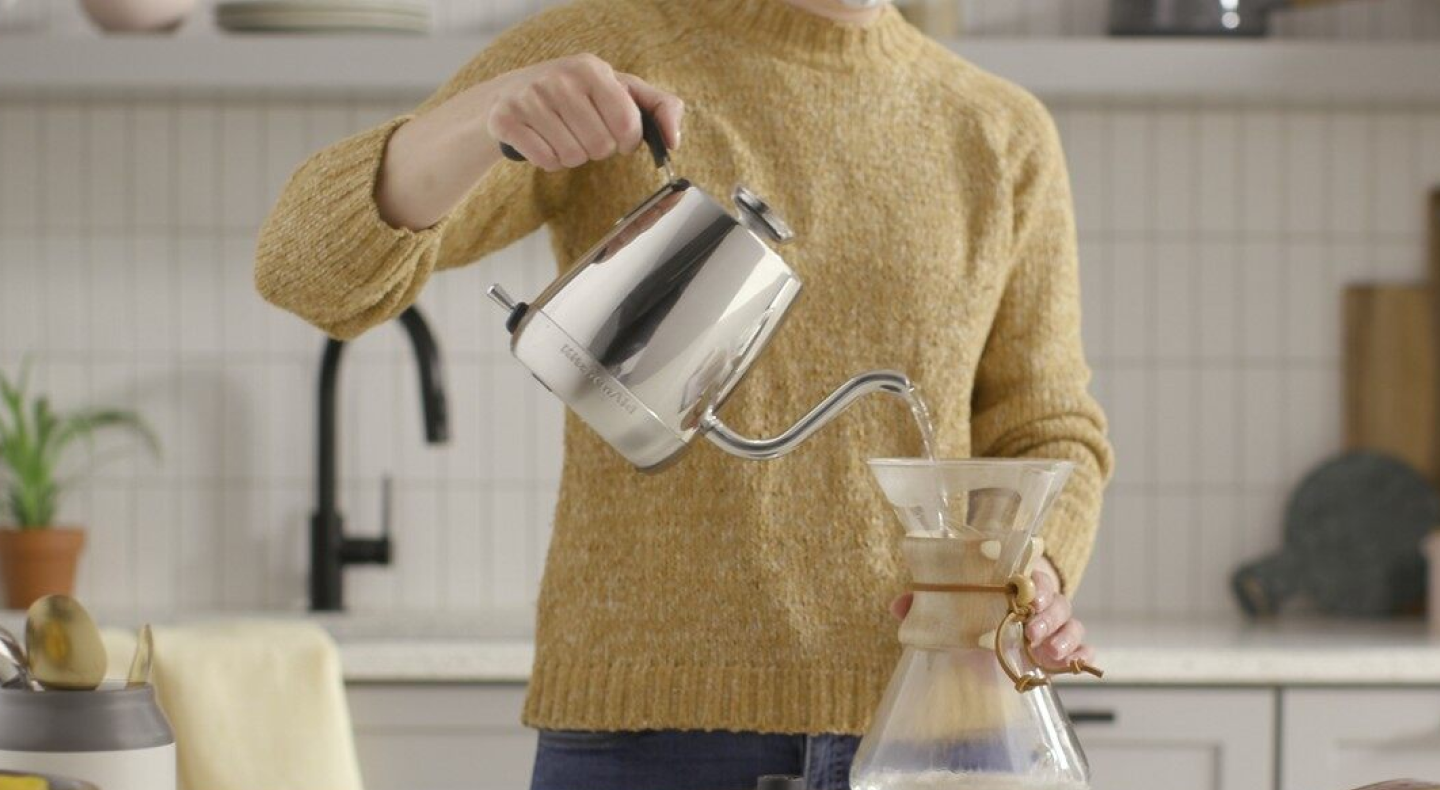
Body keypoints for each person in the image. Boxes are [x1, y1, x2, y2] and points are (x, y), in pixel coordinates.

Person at [255, 0, 1114, 787]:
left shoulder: (1000, 131)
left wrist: (1033, 569)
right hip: (649, 735)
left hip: (937, 724)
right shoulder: (615, 54)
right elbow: (304, 271)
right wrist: (485, 118)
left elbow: (1046, 423)